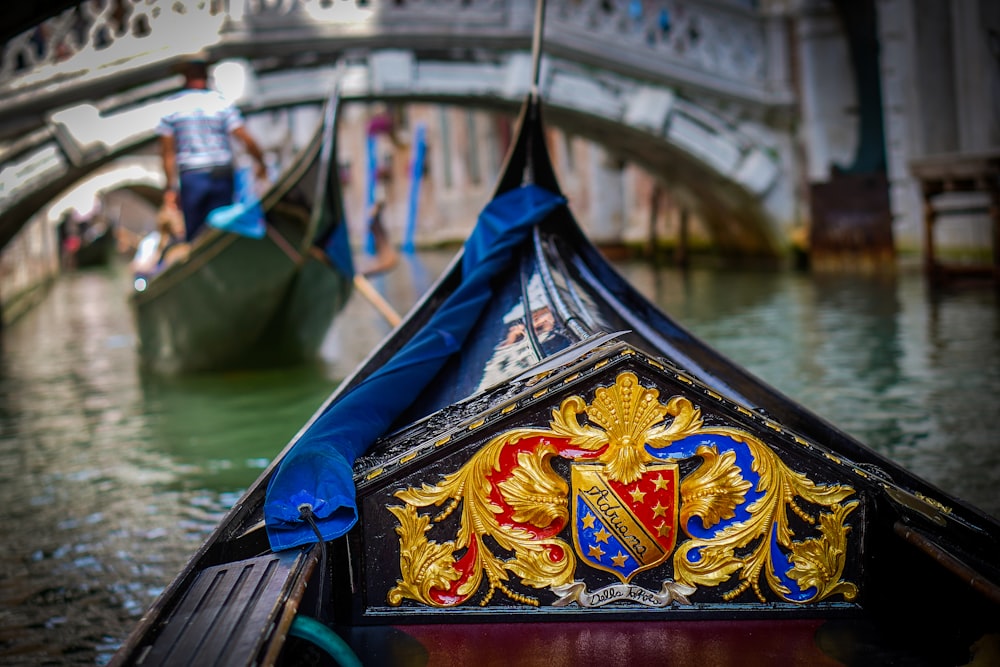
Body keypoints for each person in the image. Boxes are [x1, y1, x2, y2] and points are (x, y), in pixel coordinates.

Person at [158, 53, 267, 241]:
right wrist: (261, 163)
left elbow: (168, 154)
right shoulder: (220, 103)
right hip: (220, 176)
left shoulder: (171, 107)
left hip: (194, 178)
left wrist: (171, 188)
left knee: (196, 235)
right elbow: (245, 137)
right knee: (222, 231)